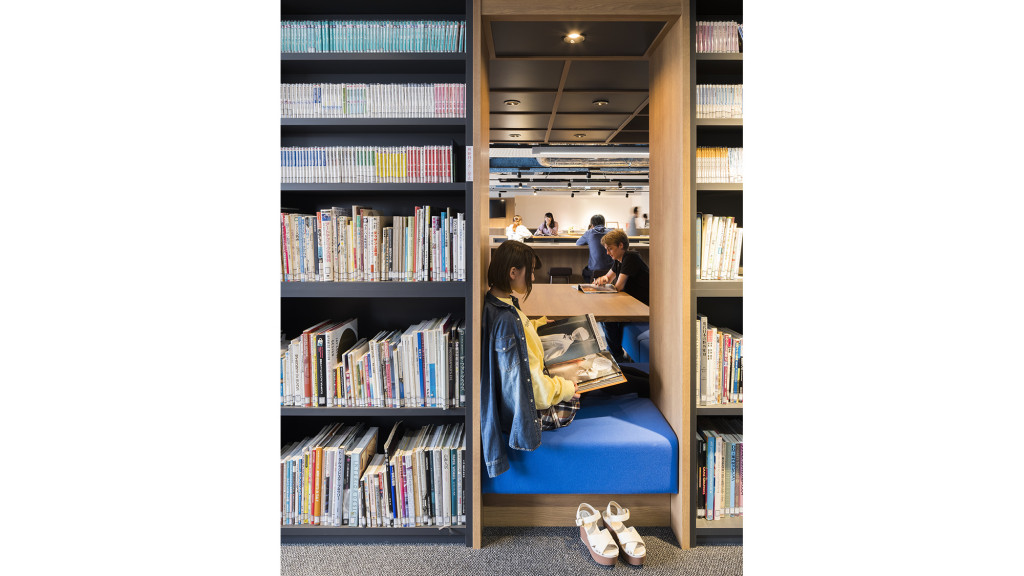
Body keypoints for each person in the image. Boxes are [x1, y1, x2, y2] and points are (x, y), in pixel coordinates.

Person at [481, 240, 580, 478]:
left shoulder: (497, 304)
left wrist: (534, 325)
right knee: (586, 385)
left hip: (523, 398)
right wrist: (566, 388)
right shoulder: (507, 320)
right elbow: (535, 390)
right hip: (528, 412)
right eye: (530, 272)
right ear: (513, 272)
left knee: (607, 373)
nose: (533, 278)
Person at [592, 228, 650, 361]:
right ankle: (615, 352)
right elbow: (608, 277)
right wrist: (601, 280)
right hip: (632, 302)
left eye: (610, 249)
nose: (607, 253)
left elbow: (618, 287)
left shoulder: (631, 257)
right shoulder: (619, 260)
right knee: (606, 316)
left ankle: (616, 356)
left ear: (621, 245)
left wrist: (606, 284)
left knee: (608, 318)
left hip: (643, 305)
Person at [575, 214, 613, 283]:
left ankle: (592, 286)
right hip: (611, 269)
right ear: (604, 223)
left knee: (585, 272)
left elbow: (578, 242)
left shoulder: (589, 233)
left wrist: (589, 241)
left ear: (592, 225)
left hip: (594, 269)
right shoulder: (611, 232)